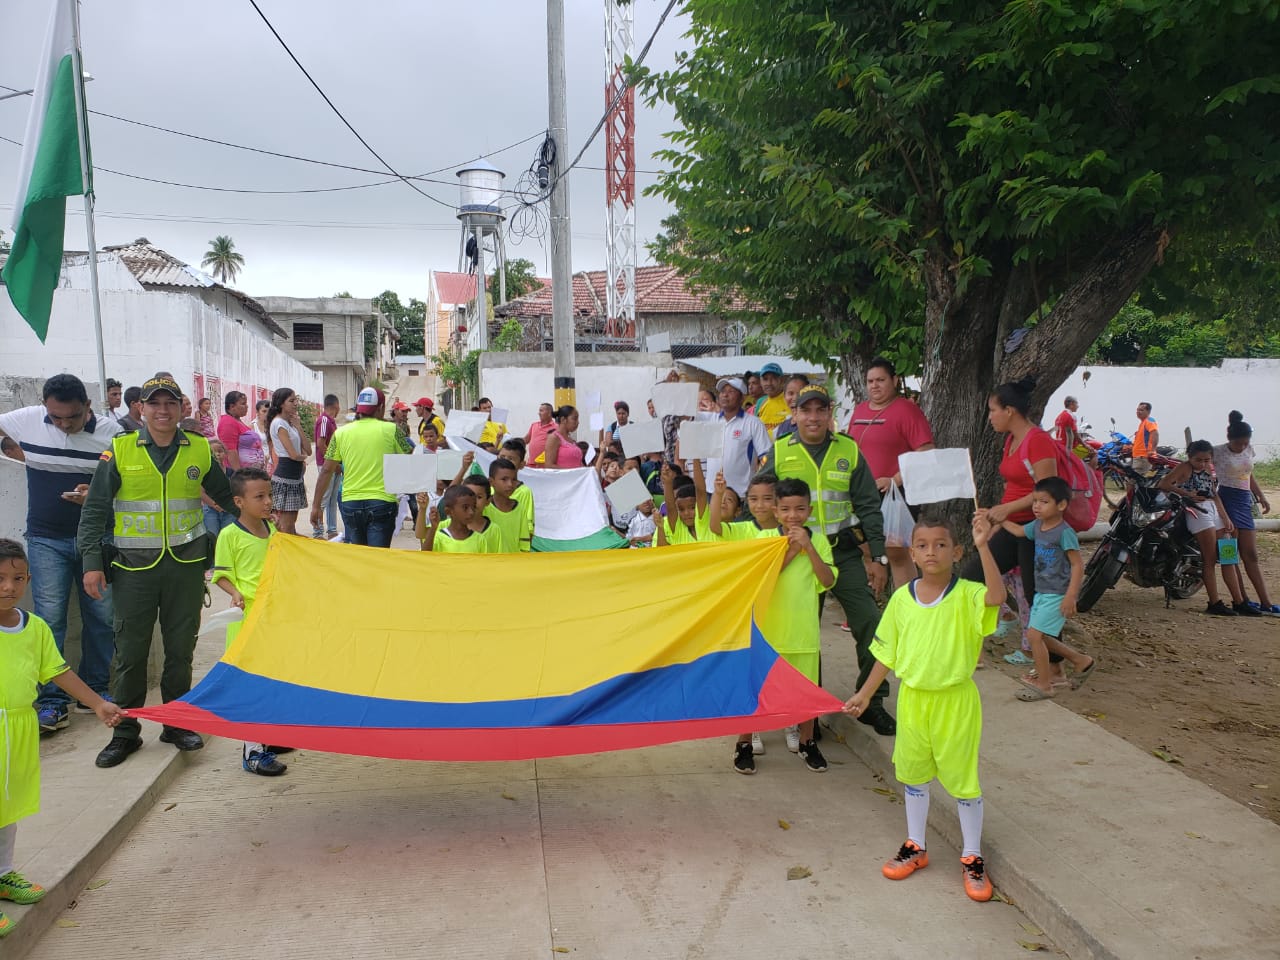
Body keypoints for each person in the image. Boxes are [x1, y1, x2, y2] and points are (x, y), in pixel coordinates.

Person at [78, 374, 238, 768]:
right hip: (133, 570)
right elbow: (95, 509)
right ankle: (125, 732)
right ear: (141, 408)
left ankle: (175, 723)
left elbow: (228, 497)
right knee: (130, 653)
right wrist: (92, 563)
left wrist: (264, 528)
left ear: (181, 408)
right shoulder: (120, 450)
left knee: (180, 650)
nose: (163, 411)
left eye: (170, 403)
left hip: (186, 567)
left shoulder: (199, 449)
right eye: (155, 403)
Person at [845, 513, 1004, 902]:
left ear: (957, 551)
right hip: (913, 700)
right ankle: (916, 845)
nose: (931, 551)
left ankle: (972, 856)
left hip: (955, 702)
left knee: (963, 779)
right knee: (914, 774)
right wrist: (865, 693)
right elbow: (886, 654)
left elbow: (996, 598)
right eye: (922, 545)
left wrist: (984, 546)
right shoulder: (902, 599)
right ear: (912, 554)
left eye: (941, 544)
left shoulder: (968, 594)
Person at [0, 538, 124, 937]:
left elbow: (58, 671)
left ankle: (3, 873)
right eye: (0, 578)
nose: (9, 587)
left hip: (20, 728)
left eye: (18, 578)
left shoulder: (34, 627)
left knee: (9, 805)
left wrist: (98, 704)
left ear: (28, 580)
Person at [764, 384, 893, 734]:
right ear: (795, 415)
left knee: (870, 621)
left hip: (843, 552)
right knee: (805, 632)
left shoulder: (848, 450)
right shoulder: (780, 450)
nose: (813, 417)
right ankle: (809, 710)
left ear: (829, 414)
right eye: (806, 410)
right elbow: (759, 501)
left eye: (820, 410)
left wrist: (878, 557)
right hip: (799, 555)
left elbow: (868, 505)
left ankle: (871, 701)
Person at [0, 373, 121, 734]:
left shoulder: (113, 434)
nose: (65, 424)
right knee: (49, 620)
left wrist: (96, 496)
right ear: (44, 407)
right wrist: (13, 449)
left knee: (102, 616)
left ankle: (95, 690)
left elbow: (129, 484)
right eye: (56, 418)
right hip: (45, 539)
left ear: (88, 406)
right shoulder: (26, 420)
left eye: (73, 417)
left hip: (96, 539)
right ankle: (52, 702)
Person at [962, 377, 1065, 683]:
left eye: (993, 410)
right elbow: (1014, 487)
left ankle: (1057, 666)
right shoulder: (1010, 441)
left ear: (1009, 410)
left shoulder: (1038, 440)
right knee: (972, 576)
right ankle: (977, 645)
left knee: (1037, 599)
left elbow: (1049, 490)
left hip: (1037, 529)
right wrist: (997, 518)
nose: (990, 417)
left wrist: (1005, 511)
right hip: (1012, 526)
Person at [731, 478, 836, 775]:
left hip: (802, 634)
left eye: (800, 509)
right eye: (786, 509)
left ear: (809, 511)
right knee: (756, 691)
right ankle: (744, 743)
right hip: (767, 633)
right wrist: (791, 550)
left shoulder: (819, 540)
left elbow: (827, 581)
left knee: (805, 693)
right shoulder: (764, 540)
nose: (793, 516)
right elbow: (761, 579)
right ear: (776, 511)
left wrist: (809, 548)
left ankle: (807, 742)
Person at [210, 468, 288, 776]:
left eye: (270, 495)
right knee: (251, 684)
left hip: (274, 618)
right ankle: (252, 751)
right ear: (239, 502)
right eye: (260, 497)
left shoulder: (272, 530)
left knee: (272, 678)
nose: (268, 502)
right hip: (249, 620)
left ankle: (269, 736)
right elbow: (221, 574)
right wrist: (236, 593)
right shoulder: (229, 535)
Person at [998, 477, 1097, 700]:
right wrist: (999, 518)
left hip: (1057, 593)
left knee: (1034, 636)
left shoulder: (1064, 532)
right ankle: (1081, 661)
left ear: (1061, 505)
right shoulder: (1037, 526)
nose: (1036, 506)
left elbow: (1077, 564)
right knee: (1040, 636)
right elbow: (1018, 531)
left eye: (1044, 502)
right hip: (1042, 592)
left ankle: (1045, 685)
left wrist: (1071, 596)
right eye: (1035, 501)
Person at [847, 357, 936, 591]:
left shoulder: (906, 410)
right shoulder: (860, 410)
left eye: (880, 380)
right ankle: (874, 599)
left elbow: (926, 451)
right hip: (861, 493)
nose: (874, 386)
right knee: (865, 547)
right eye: (870, 381)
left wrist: (895, 479)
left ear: (894, 381)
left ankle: (906, 602)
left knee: (896, 551)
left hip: (895, 492)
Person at [1159, 439, 1251, 617]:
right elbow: (1164, 484)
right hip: (1196, 512)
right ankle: (1214, 601)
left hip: (1213, 510)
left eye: (1206, 460)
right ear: (1190, 457)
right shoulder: (1184, 468)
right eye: (1198, 460)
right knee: (1209, 559)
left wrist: (1225, 517)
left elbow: (1214, 494)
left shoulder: (1209, 469)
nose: (1202, 464)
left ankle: (1239, 601)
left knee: (1228, 557)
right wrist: (1187, 494)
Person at [310, 387, 411, 548]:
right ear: (381, 408)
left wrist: (316, 506)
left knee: (360, 556)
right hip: (381, 503)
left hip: (351, 504)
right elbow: (410, 457)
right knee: (377, 556)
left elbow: (326, 470)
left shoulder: (340, 433)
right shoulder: (393, 430)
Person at [1215, 411, 1276, 615]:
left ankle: (1266, 602)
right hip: (1226, 501)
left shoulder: (1249, 449)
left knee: (1251, 554)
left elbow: (1248, 474)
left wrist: (1260, 495)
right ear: (1229, 439)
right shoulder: (1217, 452)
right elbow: (1196, 465)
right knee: (1230, 554)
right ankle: (1241, 600)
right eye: (1238, 443)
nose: (1242, 447)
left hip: (1244, 501)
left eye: (1245, 443)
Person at [713, 377, 771, 499]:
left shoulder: (753, 423)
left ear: (742, 398)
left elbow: (766, 456)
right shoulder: (711, 420)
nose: (725, 395)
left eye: (731, 391)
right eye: (723, 391)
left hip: (741, 494)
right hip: (712, 492)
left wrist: (758, 482)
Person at [266, 387, 311, 534]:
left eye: (295, 400)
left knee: (290, 524)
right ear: (281, 404)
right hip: (286, 477)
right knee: (286, 526)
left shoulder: (291, 424)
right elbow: (293, 455)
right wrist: (302, 458)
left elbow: (308, 450)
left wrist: (298, 426)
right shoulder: (279, 423)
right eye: (291, 401)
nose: (295, 403)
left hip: (295, 478)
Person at [485, 458, 534, 553]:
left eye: (514, 479)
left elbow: (524, 544)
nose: (510, 484)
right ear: (491, 482)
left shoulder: (520, 508)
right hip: (489, 560)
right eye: (504, 479)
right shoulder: (484, 507)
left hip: (513, 561)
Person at [419, 485, 487, 554]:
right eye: (465, 507)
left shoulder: (480, 540)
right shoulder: (438, 537)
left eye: (473, 507)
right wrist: (433, 528)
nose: (471, 512)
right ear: (449, 511)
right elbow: (425, 555)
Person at [657, 461, 710, 546]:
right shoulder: (677, 529)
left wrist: (696, 458)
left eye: (692, 507)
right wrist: (667, 482)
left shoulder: (705, 523)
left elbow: (701, 492)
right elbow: (670, 507)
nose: (687, 513)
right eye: (681, 509)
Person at [313, 394, 341, 539]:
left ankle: (332, 530)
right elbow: (320, 443)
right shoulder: (324, 420)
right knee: (324, 498)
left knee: (332, 499)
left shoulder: (331, 422)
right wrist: (331, 462)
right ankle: (318, 531)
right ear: (336, 406)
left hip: (333, 465)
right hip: (326, 465)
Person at [217, 391, 262, 470]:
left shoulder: (237, 421)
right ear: (232, 406)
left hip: (250, 471)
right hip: (237, 471)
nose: (247, 406)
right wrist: (239, 473)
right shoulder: (228, 422)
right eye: (243, 404)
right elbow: (231, 451)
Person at [753, 362, 789, 436]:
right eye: (765, 379)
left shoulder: (790, 400)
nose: (769, 383)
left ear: (781, 380)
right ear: (761, 382)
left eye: (774, 378)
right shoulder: (761, 402)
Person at [774, 375, 809, 441]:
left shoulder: (813, 424)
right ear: (784, 397)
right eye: (790, 393)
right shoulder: (781, 427)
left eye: (800, 393)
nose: (795, 398)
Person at [1131, 401, 1160, 475]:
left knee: (1134, 480)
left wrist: (1152, 450)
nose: (1138, 412)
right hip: (1138, 456)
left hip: (1143, 457)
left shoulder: (1149, 421)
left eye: (1141, 410)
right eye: (1137, 410)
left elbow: (1155, 434)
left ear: (1148, 411)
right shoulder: (1142, 423)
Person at [253, 399, 276, 474]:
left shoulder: (274, 425)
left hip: (273, 461)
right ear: (257, 412)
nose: (267, 414)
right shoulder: (253, 426)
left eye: (269, 411)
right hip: (259, 463)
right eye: (264, 411)